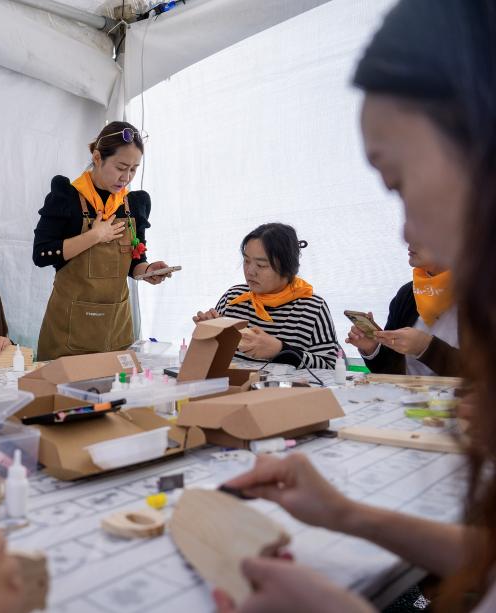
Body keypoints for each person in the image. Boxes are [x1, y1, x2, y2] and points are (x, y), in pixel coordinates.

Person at [216, 2, 496, 611]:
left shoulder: (313, 306)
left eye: (400, 182)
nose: (406, 234)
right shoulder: (234, 300)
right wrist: (346, 514)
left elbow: (326, 365)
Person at [33, 121, 172, 361]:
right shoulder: (67, 197)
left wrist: (148, 271)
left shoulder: (132, 205)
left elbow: (134, 263)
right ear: (97, 158)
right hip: (68, 331)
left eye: (134, 169)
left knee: (116, 386)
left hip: (116, 329)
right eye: (120, 167)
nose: (126, 177)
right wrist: (94, 236)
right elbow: (41, 254)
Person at [193, 223, 338, 370]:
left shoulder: (312, 308)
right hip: (234, 384)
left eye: (261, 265)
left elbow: (331, 367)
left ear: (287, 267)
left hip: (285, 386)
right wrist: (209, 333)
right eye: (246, 261)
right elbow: (211, 359)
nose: (250, 271)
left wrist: (280, 350)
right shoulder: (233, 298)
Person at [346, 245, 460, 376]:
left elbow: (479, 373)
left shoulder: (478, 296)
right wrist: (373, 348)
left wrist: (425, 347)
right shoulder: (407, 294)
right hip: (408, 390)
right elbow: (390, 373)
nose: (410, 244)